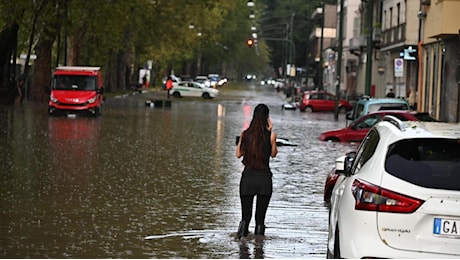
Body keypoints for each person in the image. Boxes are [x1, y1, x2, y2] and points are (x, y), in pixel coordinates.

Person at [236, 103, 278, 239]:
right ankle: (259, 249)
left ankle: (241, 246)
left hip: (247, 179)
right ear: (267, 117)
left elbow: (238, 154)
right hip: (264, 180)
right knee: (260, 218)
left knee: (245, 217)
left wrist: (241, 139)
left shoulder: (245, 134)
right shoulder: (271, 135)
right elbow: (273, 154)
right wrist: (270, 132)